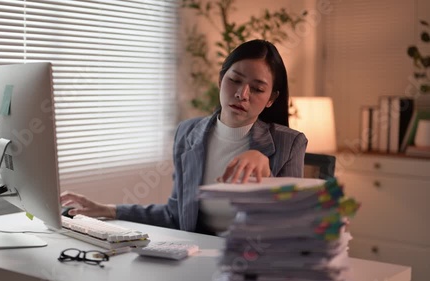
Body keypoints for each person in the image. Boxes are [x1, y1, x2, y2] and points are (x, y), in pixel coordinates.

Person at [60, 39, 307, 235]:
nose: (242, 94)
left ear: (271, 98)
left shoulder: (289, 143)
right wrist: (107, 210)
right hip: (197, 259)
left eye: (257, 88)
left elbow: (293, 228)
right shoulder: (188, 133)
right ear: (221, 80)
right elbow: (175, 214)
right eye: (235, 80)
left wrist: (267, 178)